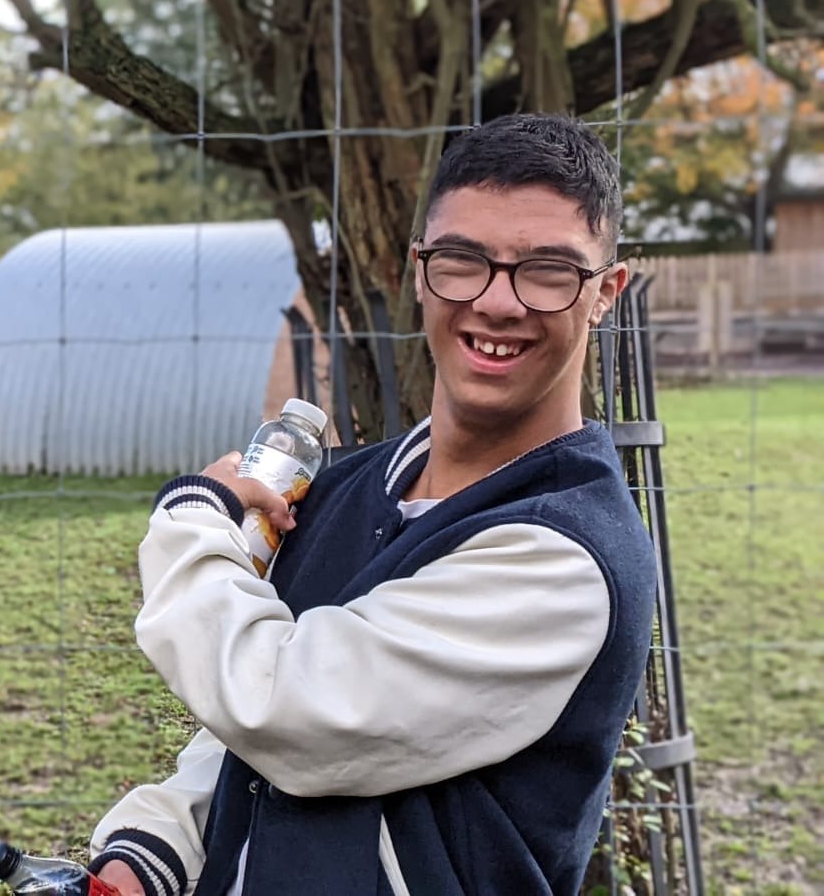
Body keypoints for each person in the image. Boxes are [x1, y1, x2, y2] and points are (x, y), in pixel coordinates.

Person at [85, 112, 658, 896]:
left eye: (548, 270)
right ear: (417, 269)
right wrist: (158, 843)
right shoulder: (341, 491)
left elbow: (282, 711)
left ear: (604, 294)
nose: (496, 303)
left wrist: (192, 514)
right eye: (462, 260)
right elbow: (241, 747)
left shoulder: (564, 557)